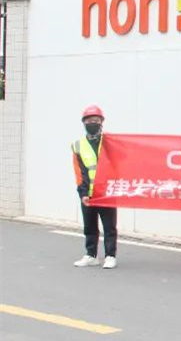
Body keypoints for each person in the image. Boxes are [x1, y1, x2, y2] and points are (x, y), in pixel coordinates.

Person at [72, 105, 118, 270]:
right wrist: (83, 193)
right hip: (89, 195)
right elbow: (80, 172)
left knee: (109, 227)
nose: (93, 123)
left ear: (102, 123)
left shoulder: (110, 142)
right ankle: (91, 255)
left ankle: (110, 256)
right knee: (89, 227)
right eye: (90, 120)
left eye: (96, 120)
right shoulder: (78, 145)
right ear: (84, 123)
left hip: (107, 193)